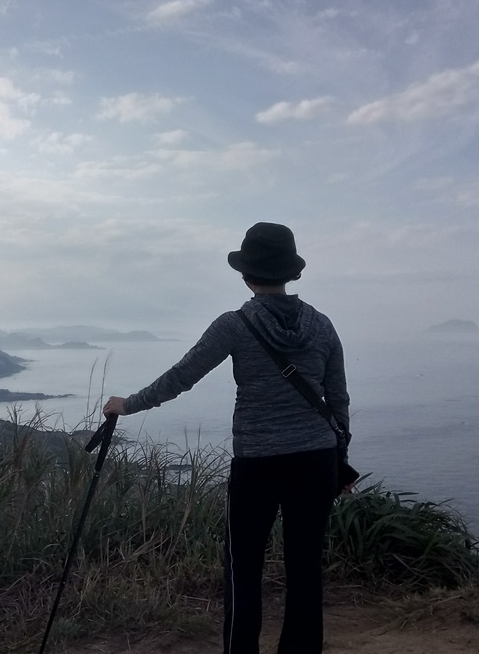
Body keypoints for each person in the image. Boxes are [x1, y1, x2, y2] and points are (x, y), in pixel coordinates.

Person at [102, 222, 351, 654]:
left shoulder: (235, 325)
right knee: (306, 566)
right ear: (290, 273)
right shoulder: (323, 325)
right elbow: (338, 399)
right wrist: (340, 457)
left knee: (244, 567)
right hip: (317, 459)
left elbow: (182, 376)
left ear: (246, 273)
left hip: (258, 462)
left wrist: (128, 405)